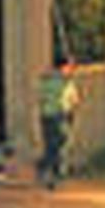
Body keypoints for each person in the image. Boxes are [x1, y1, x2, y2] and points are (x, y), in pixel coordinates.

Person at [35, 58, 80, 189]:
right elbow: (74, 100)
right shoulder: (65, 83)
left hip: (47, 115)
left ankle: (46, 168)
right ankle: (52, 173)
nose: (71, 70)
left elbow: (41, 97)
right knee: (58, 144)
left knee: (52, 144)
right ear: (63, 67)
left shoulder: (47, 80)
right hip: (59, 115)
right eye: (69, 67)